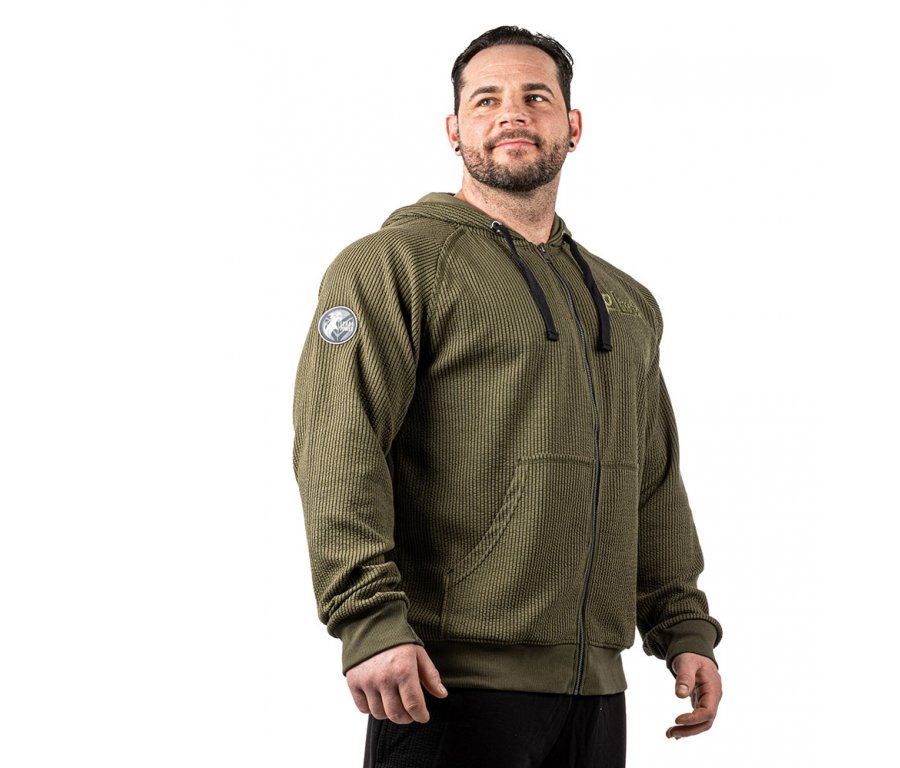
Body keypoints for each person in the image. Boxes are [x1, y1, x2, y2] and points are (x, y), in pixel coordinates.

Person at [293, 25, 723, 767]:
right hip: (444, 680)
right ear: (454, 129)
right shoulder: (391, 266)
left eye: (536, 97)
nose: (512, 113)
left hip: (596, 692)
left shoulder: (625, 302)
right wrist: (368, 621)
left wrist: (682, 625)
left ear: (572, 126)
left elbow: (653, 477)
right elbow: (341, 444)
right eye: (486, 99)